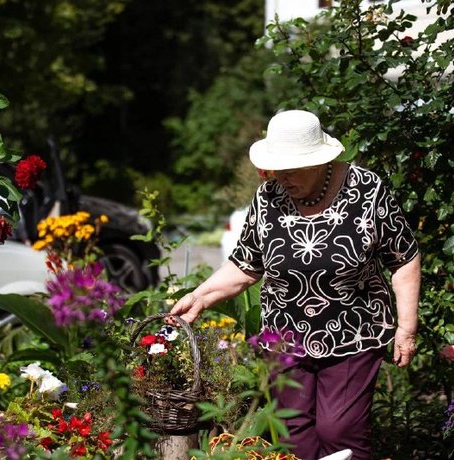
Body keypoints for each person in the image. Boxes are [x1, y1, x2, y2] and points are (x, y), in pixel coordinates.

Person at [169, 110, 421, 460]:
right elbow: (245, 265)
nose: (281, 176)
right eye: (277, 167)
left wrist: (407, 329)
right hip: (285, 338)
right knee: (292, 433)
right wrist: (199, 296)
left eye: (291, 167)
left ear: (319, 161)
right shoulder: (267, 198)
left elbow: (404, 256)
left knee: (339, 430)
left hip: (352, 331)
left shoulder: (366, 191)